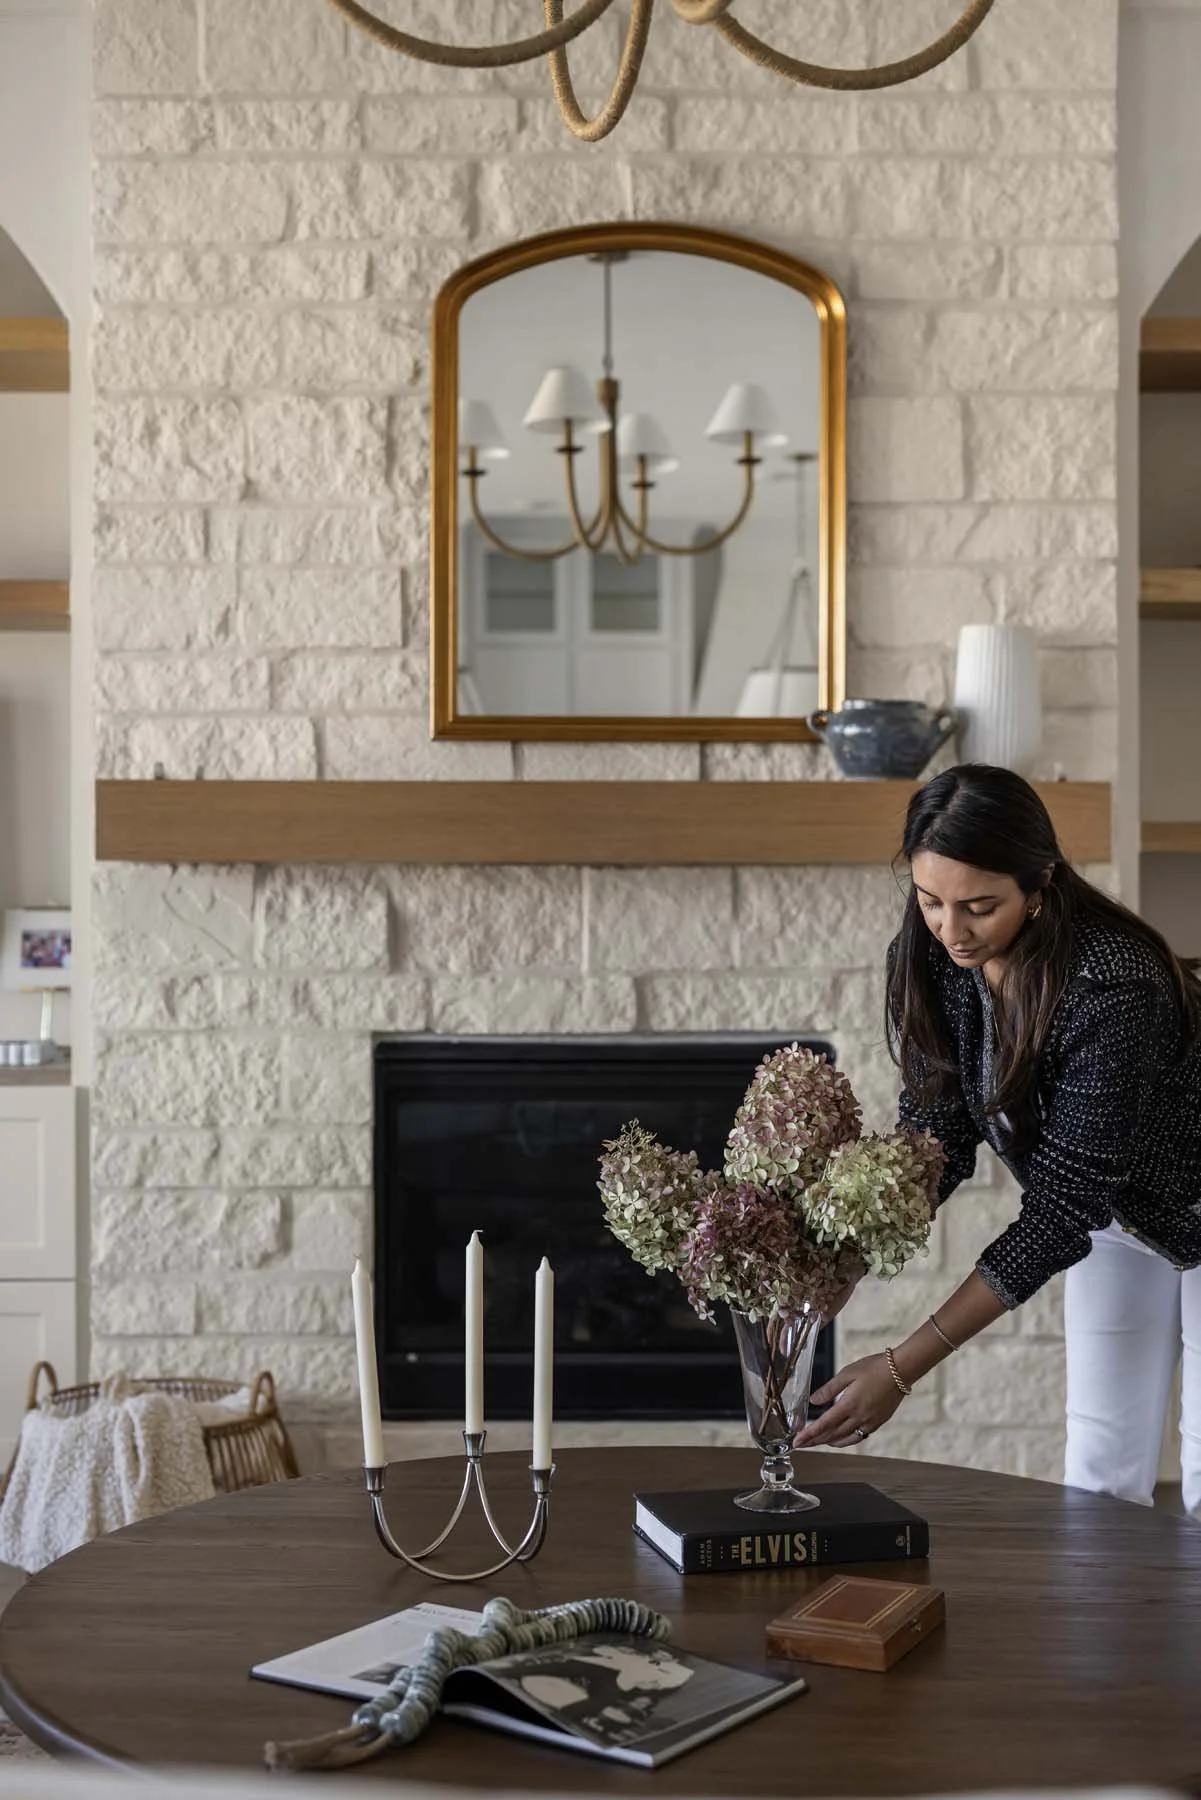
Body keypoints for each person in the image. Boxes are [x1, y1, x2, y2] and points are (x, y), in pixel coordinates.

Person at [796, 764, 1201, 1515]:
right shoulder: (931, 959)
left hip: (1166, 1195)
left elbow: (1056, 1211)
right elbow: (937, 1131)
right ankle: (1106, 1633)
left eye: (979, 906)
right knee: (1099, 1478)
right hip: (1120, 1214)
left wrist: (901, 1366)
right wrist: (852, 1251)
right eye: (929, 901)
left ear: (1038, 882)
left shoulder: (1113, 984)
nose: (951, 930)